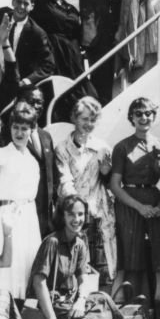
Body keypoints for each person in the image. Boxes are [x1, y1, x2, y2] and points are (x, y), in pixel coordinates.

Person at [19, 0, 99, 117]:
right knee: (55, 103)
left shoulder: (71, 8)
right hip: (51, 58)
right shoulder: (39, 2)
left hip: (73, 60)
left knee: (88, 98)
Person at [31, 195, 122, 319]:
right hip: (54, 306)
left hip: (71, 301)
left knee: (104, 299)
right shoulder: (52, 242)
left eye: (80, 214)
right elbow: (39, 283)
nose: (76, 219)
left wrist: (80, 301)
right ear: (62, 216)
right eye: (71, 214)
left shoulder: (80, 243)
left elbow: (83, 279)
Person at [0, 115, 43, 300]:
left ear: (31, 130)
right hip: (7, 217)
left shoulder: (33, 159)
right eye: (15, 128)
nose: (19, 133)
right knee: (4, 273)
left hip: (28, 219)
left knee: (25, 268)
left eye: (24, 128)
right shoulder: (1, 153)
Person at [111, 97, 160, 305]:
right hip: (130, 207)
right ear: (131, 118)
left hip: (154, 207)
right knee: (131, 258)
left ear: (154, 116)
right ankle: (130, 309)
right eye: (138, 114)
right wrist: (139, 207)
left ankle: (155, 310)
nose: (144, 118)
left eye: (148, 113)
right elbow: (115, 185)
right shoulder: (122, 147)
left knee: (156, 257)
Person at [55, 96, 117, 284]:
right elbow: (65, 181)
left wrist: (106, 173)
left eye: (92, 120)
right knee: (76, 269)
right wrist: (78, 210)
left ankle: (102, 309)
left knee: (103, 268)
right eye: (84, 119)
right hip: (75, 216)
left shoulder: (102, 147)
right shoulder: (62, 148)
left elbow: (109, 183)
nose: (88, 124)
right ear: (74, 118)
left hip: (100, 215)